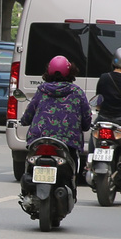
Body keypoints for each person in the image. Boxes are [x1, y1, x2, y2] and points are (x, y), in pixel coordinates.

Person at [22, 54, 92, 183]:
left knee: (29, 166)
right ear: (70, 71)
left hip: (39, 138)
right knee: (72, 171)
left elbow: (28, 114)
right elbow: (86, 119)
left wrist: (24, 121)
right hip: (68, 141)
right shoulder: (77, 92)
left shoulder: (41, 90)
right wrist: (85, 126)